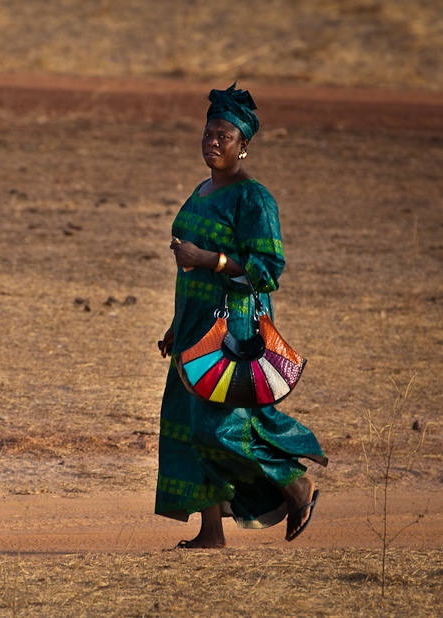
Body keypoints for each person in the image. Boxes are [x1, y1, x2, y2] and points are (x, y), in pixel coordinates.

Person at [155, 83, 328, 548]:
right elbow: (188, 269)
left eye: (224, 136)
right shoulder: (202, 189)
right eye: (208, 133)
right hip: (194, 327)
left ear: (243, 146)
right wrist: (176, 324)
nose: (213, 142)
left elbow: (267, 271)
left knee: (220, 427)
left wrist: (209, 259)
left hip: (233, 328)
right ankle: (211, 532)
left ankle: (296, 486)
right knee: (188, 427)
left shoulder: (254, 200)